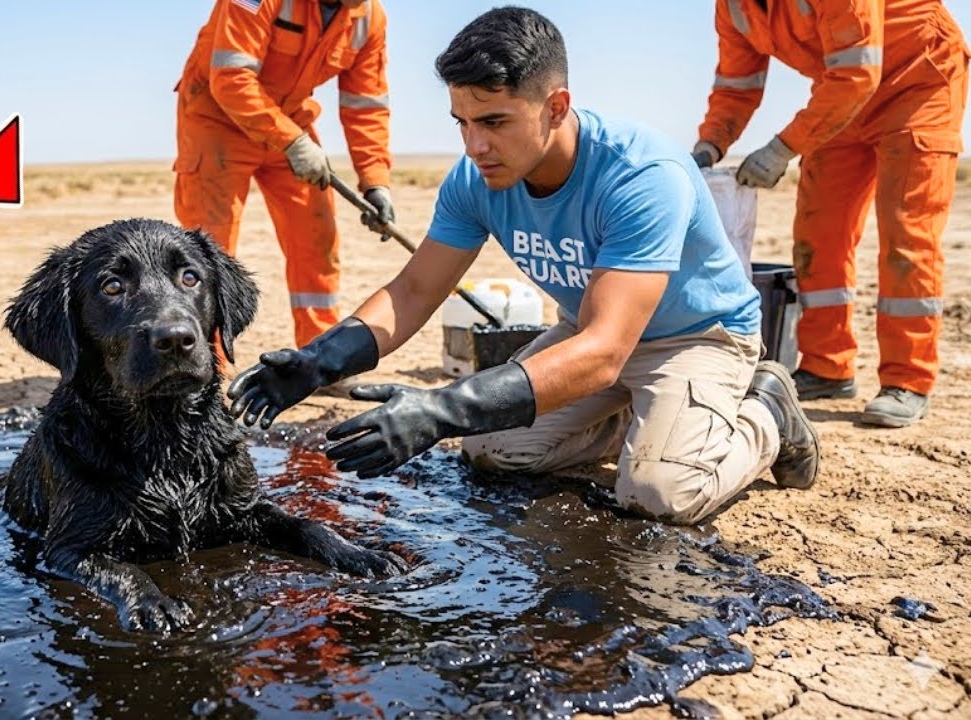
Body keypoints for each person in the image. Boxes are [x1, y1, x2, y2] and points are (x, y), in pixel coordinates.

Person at [227, 7, 822, 525]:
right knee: (488, 450)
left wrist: (439, 408)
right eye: (460, 122)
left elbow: (605, 349)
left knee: (657, 493)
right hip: (589, 331)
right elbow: (413, 289)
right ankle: (644, 422)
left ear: (555, 106)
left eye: (493, 122)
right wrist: (319, 361)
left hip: (695, 338)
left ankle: (765, 412)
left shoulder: (639, 175)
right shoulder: (477, 178)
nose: (473, 145)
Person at [692, 0, 969, 428]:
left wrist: (781, 148)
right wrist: (709, 147)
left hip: (919, 78)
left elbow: (860, 71)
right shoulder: (734, 8)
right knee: (817, 234)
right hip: (840, 94)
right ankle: (826, 367)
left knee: (906, 233)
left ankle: (908, 380)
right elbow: (737, 85)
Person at [174, 0, 394, 349]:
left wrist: (375, 180)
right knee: (208, 247)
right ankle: (204, 363)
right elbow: (231, 78)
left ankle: (319, 354)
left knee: (315, 236)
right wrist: (291, 141)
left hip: (289, 123)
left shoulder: (367, 17)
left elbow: (365, 104)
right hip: (216, 119)